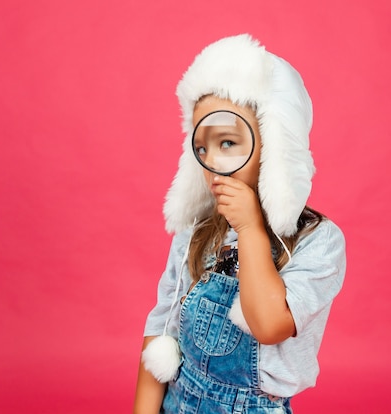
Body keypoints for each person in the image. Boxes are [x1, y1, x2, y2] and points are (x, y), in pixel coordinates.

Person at [134, 34, 346, 414]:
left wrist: (249, 229)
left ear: (277, 146)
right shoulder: (196, 234)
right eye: (201, 147)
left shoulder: (319, 241)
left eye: (229, 143)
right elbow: (161, 331)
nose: (211, 161)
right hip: (178, 402)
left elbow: (268, 326)